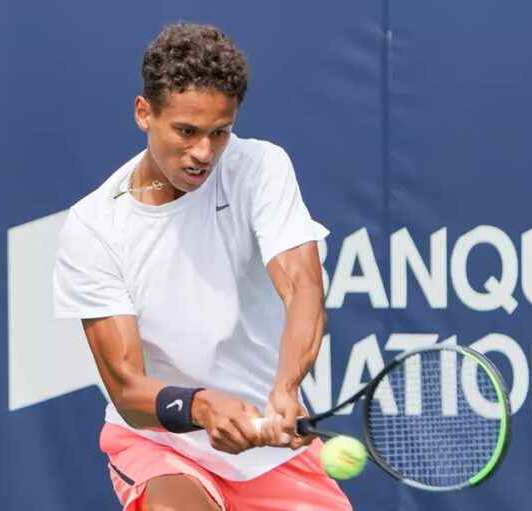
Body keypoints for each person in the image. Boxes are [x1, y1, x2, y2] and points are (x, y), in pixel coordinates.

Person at [53, 23, 352, 511]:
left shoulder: (260, 168)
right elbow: (128, 389)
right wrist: (202, 405)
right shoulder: (93, 226)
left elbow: (302, 289)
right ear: (143, 113)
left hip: (268, 455)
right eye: (186, 131)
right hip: (160, 443)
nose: (203, 153)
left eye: (220, 132)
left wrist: (285, 388)